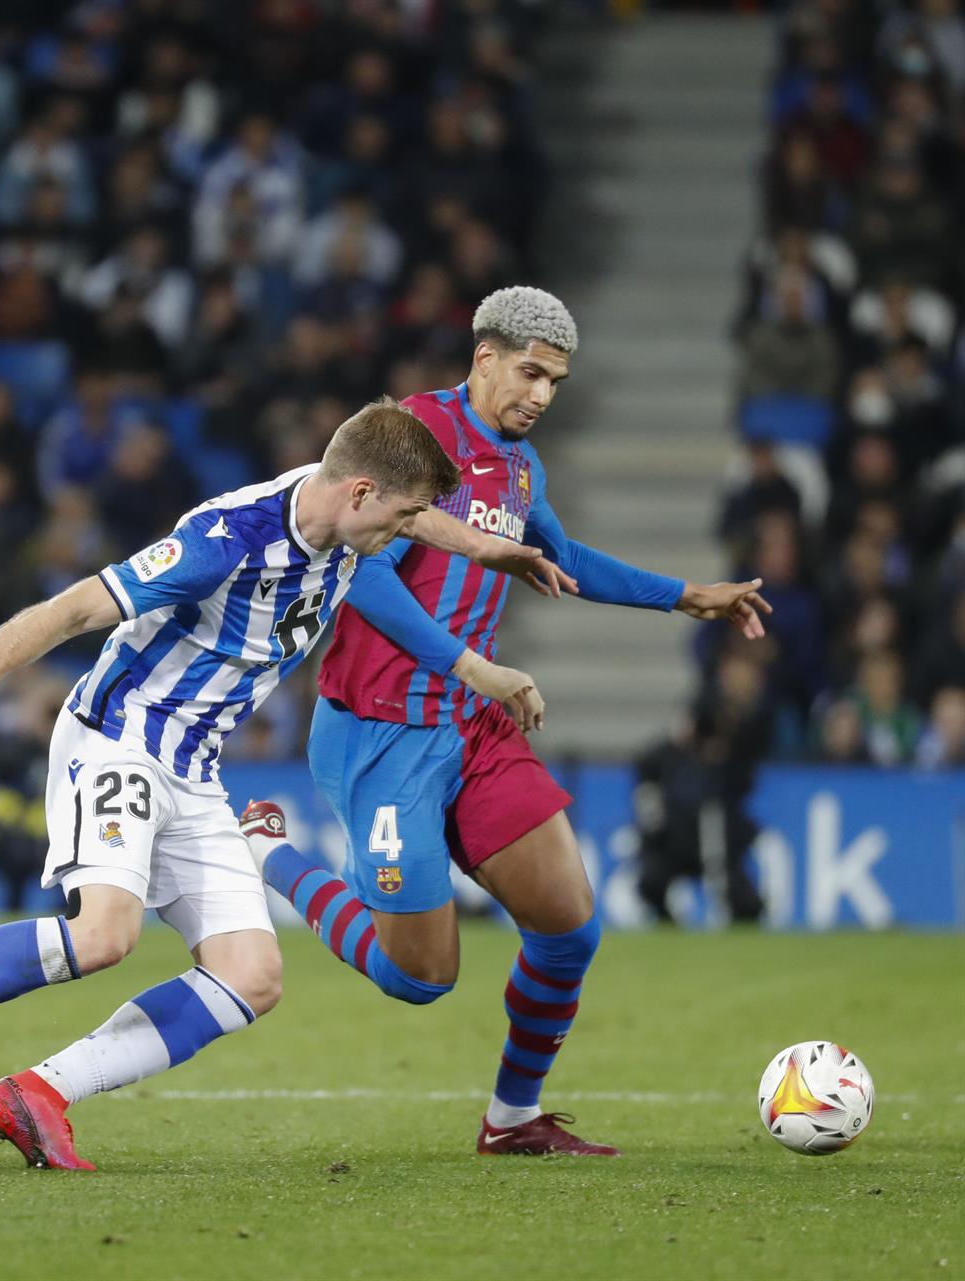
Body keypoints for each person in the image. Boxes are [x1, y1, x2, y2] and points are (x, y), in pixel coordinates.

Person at [0, 398, 564, 1171]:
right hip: (121, 737)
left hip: (193, 765)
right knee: (103, 936)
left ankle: (39, 1091)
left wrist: (491, 550)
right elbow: (72, 609)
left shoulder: (348, 504)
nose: (406, 534)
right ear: (360, 492)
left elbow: (419, 517)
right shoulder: (228, 541)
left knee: (251, 976)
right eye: (401, 517)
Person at [245, 287, 773, 1158]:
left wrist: (686, 595)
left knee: (569, 926)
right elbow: (362, 571)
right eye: (529, 373)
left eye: (555, 382)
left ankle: (513, 1117)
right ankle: (271, 855)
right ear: (484, 356)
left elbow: (564, 559)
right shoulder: (411, 435)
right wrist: (472, 664)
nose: (541, 394)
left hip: (471, 726)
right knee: (421, 976)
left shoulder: (522, 468)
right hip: (381, 732)